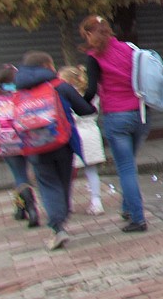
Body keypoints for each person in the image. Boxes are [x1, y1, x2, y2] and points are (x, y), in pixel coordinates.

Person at [15, 51, 96, 250]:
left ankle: (58, 227)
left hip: (35, 148)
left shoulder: (18, 93)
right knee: (63, 182)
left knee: (48, 184)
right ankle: (62, 218)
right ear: (46, 66)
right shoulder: (60, 86)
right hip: (63, 144)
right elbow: (85, 109)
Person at [78, 15, 151, 233]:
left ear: (90, 34)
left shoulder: (94, 57)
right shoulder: (129, 49)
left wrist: (78, 107)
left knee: (126, 168)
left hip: (116, 116)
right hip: (141, 113)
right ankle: (128, 209)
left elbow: (91, 91)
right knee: (130, 164)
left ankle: (138, 219)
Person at [0, 64, 39, 228]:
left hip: (7, 144)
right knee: (32, 172)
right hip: (30, 141)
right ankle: (25, 207)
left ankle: (28, 209)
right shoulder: (26, 95)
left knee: (19, 176)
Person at [58, 66, 106, 216]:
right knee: (92, 171)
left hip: (74, 134)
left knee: (68, 173)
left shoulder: (67, 94)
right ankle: (96, 202)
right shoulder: (92, 92)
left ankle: (67, 204)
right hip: (92, 132)